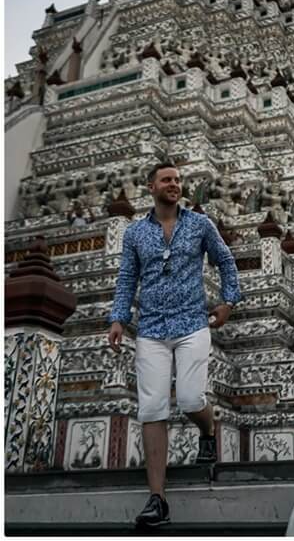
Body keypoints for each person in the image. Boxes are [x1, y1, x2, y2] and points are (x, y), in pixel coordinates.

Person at [108, 162, 242, 529]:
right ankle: (158, 499)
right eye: (166, 180)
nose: (174, 184)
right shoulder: (135, 233)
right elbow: (126, 278)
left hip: (192, 324)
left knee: (188, 398)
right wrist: (118, 318)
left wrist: (228, 301)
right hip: (150, 328)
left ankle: (208, 429)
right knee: (151, 408)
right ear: (150, 186)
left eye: (178, 180)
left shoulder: (200, 225)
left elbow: (226, 262)